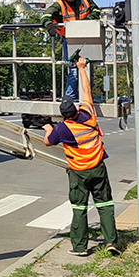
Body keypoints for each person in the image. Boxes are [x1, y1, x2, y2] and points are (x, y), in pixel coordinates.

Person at [42, 56, 119, 257]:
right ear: (75, 109)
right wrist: (82, 68)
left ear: (62, 114)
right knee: (105, 205)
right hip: (98, 168)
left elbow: (48, 142)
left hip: (79, 173)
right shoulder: (88, 114)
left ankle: (79, 247)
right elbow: (86, 91)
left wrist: (48, 128)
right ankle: (111, 242)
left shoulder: (62, 129)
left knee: (79, 208)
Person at [40, 0, 101, 101]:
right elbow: (45, 16)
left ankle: (87, 96)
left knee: (88, 67)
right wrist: (50, 25)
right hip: (70, 40)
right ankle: (70, 97)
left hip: (87, 38)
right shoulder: (59, 5)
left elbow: (96, 11)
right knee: (73, 68)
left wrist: (84, 22)